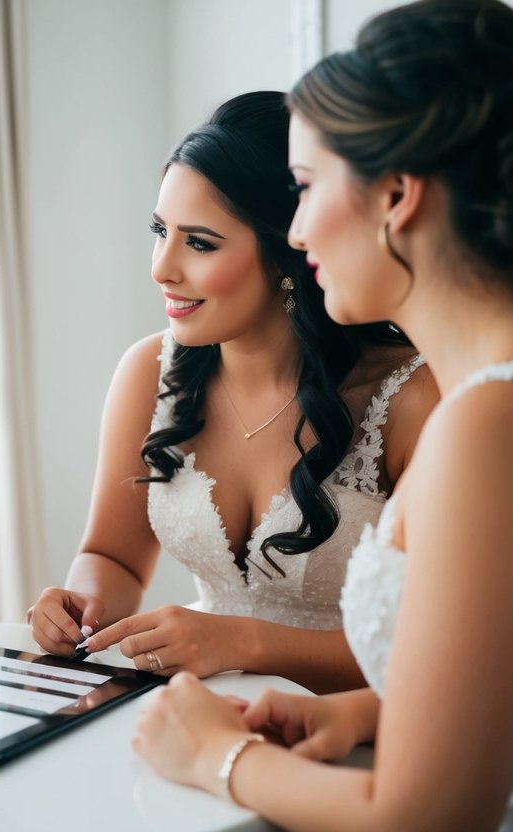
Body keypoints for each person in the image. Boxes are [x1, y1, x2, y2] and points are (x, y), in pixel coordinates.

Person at [134, 1, 513, 827]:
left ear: (397, 196)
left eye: (305, 188)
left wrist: (213, 758)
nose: (295, 231)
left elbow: (433, 815)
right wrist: (362, 713)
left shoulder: (483, 423)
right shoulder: (484, 404)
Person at [28, 91, 436, 693]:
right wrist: (81, 606)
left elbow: (440, 651)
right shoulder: (150, 372)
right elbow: (110, 558)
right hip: (199, 716)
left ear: (285, 252)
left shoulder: (409, 399)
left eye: (199, 242)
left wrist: (244, 642)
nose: (162, 268)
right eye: (159, 230)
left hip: (361, 737)